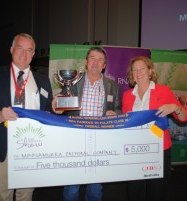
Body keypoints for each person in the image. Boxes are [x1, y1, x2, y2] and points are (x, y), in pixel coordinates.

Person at [0, 33, 53, 201]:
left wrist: (55, 108)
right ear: (11, 50)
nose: (24, 54)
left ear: (33, 54)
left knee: (26, 195)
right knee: (3, 195)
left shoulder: (43, 80)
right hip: (3, 144)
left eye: (29, 50)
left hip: (32, 146)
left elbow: (47, 112)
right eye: (20, 48)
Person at [52, 46, 122, 201]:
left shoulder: (113, 86)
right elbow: (61, 106)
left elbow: (118, 109)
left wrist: (114, 114)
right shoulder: (73, 80)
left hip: (99, 142)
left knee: (96, 188)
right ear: (86, 61)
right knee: (71, 187)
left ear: (104, 65)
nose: (95, 63)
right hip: (75, 141)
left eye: (100, 60)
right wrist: (56, 105)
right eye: (92, 58)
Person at [122, 56, 187, 201]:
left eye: (142, 68)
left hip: (158, 151)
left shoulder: (163, 91)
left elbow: (184, 118)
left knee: (156, 193)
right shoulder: (127, 96)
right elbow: (125, 123)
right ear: (131, 74)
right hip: (134, 151)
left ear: (150, 71)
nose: (138, 72)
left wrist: (176, 107)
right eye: (135, 70)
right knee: (133, 192)